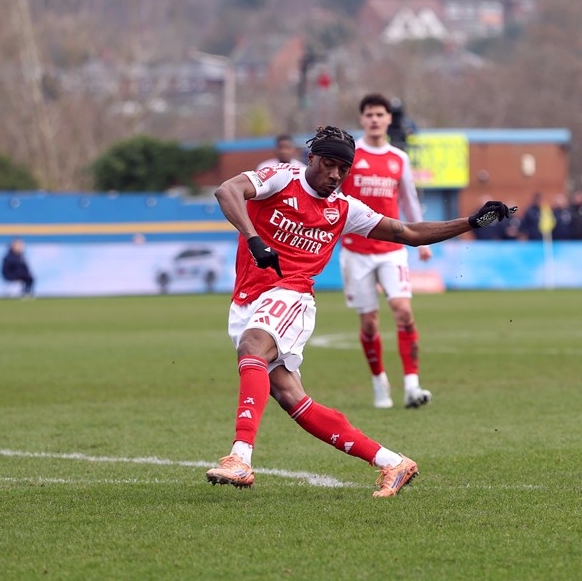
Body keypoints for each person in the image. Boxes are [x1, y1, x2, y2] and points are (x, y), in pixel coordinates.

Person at [205, 125, 515, 497]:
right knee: (290, 397)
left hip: (292, 297)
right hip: (248, 300)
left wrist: (470, 222)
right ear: (312, 158)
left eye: (343, 169)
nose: (335, 175)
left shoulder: (345, 208)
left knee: (253, 346)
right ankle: (392, 462)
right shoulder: (279, 179)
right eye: (329, 164)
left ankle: (240, 458)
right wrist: (254, 239)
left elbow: (408, 233)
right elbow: (228, 190)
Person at [339, 93, 433, 410]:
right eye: (369, 114)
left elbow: (409, 200)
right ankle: (380, 382)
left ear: (389, 119)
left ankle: (412, 386)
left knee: (404, 311)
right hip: (356, 251)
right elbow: (334, 196)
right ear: (362, 119)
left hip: (392, 249)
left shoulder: (399, 159)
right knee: (369, 323)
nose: (375, 119)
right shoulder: (351, 155)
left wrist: (422, 238)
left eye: (381, 114)